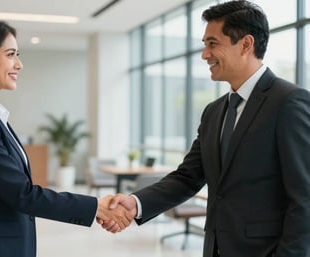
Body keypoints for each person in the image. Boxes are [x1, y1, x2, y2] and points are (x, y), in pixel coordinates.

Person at [100, 1, 310, 257]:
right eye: (204, 45)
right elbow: (187, 178)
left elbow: (305, 198)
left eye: (213, 44)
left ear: (246, 44)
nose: (204, 55)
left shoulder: (289, 102)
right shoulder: (214, 111)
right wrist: (136, 203)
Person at [0, 17, 133, 257]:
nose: (19, 64)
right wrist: (96, 207)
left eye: (18, 55)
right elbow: (21, 193)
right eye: (10, 55)